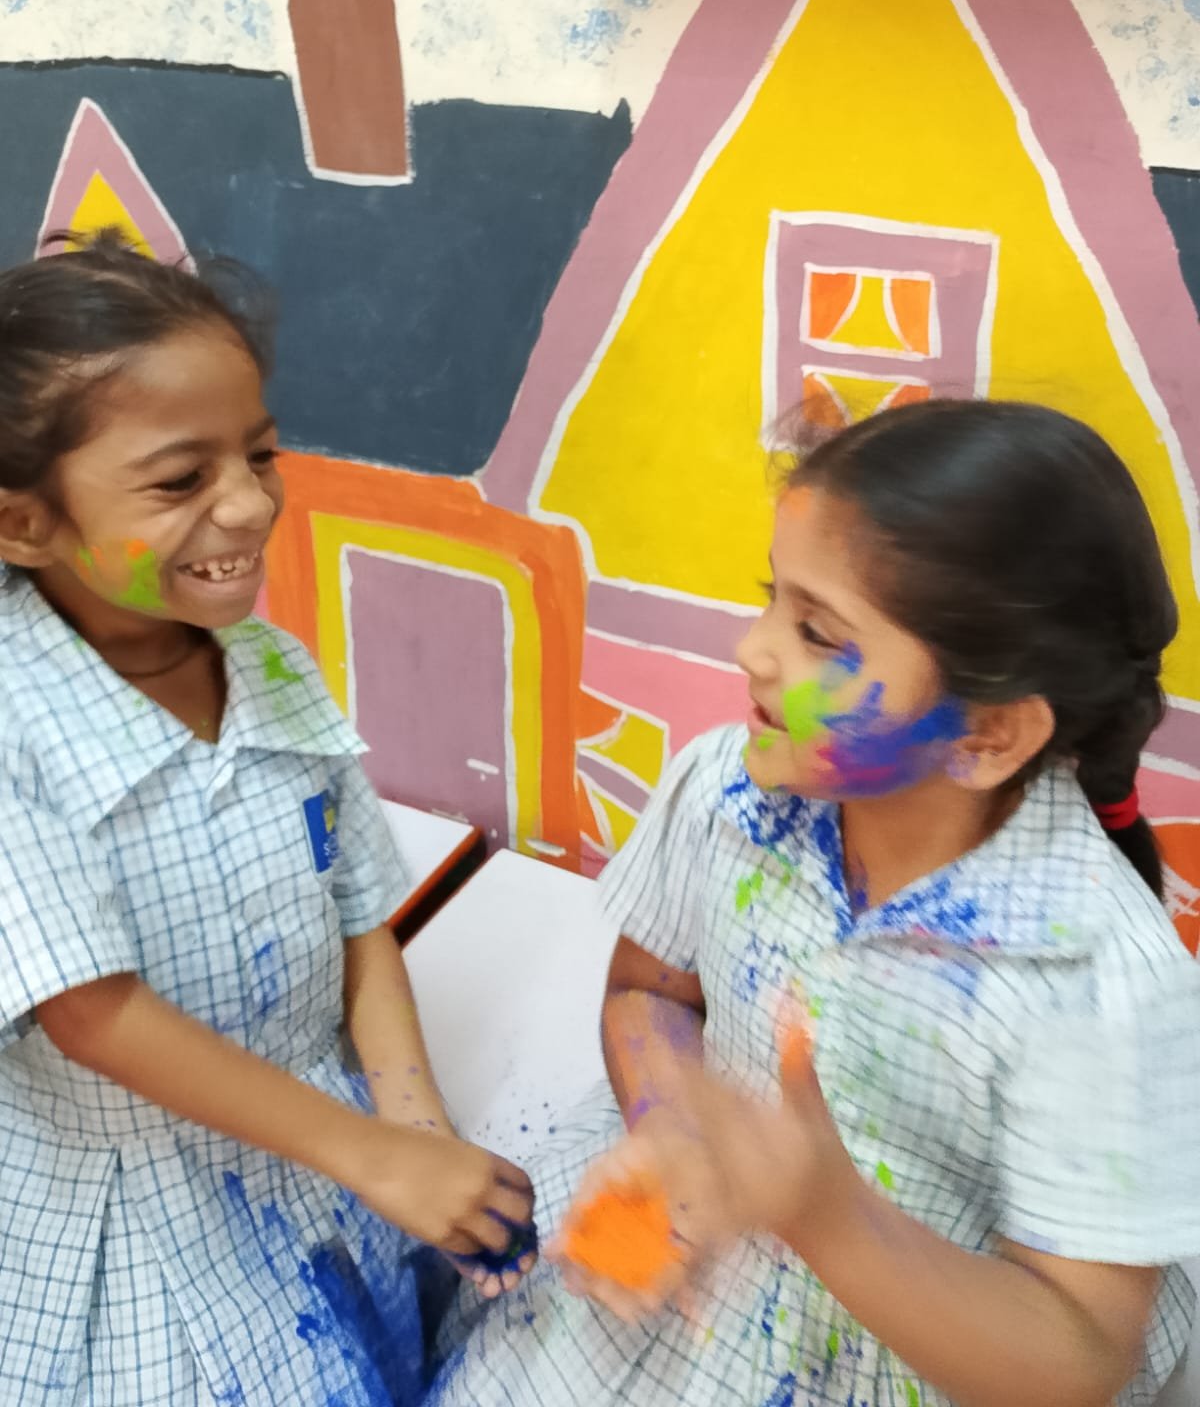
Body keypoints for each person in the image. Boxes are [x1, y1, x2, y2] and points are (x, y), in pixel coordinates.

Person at [431, 399, 1200, 1407]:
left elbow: (1079, 1357)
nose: (752, 650)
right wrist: (670, 1126)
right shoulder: (728, 791)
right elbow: (650, 991)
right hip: (692, 1286)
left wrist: (828, 1214)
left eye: (819, 635)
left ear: (988, 734)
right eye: (771, 598)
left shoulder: (1103, 986)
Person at [0, 231, 533, 1407]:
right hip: (135, 1221)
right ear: (24, 525)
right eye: (178, 480)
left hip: (322, 1168)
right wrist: (375, 1153)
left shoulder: (274, 664)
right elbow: (92, 1012)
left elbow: (360, 919)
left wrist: (416, 1125)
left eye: (259, 453)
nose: (249, 504)